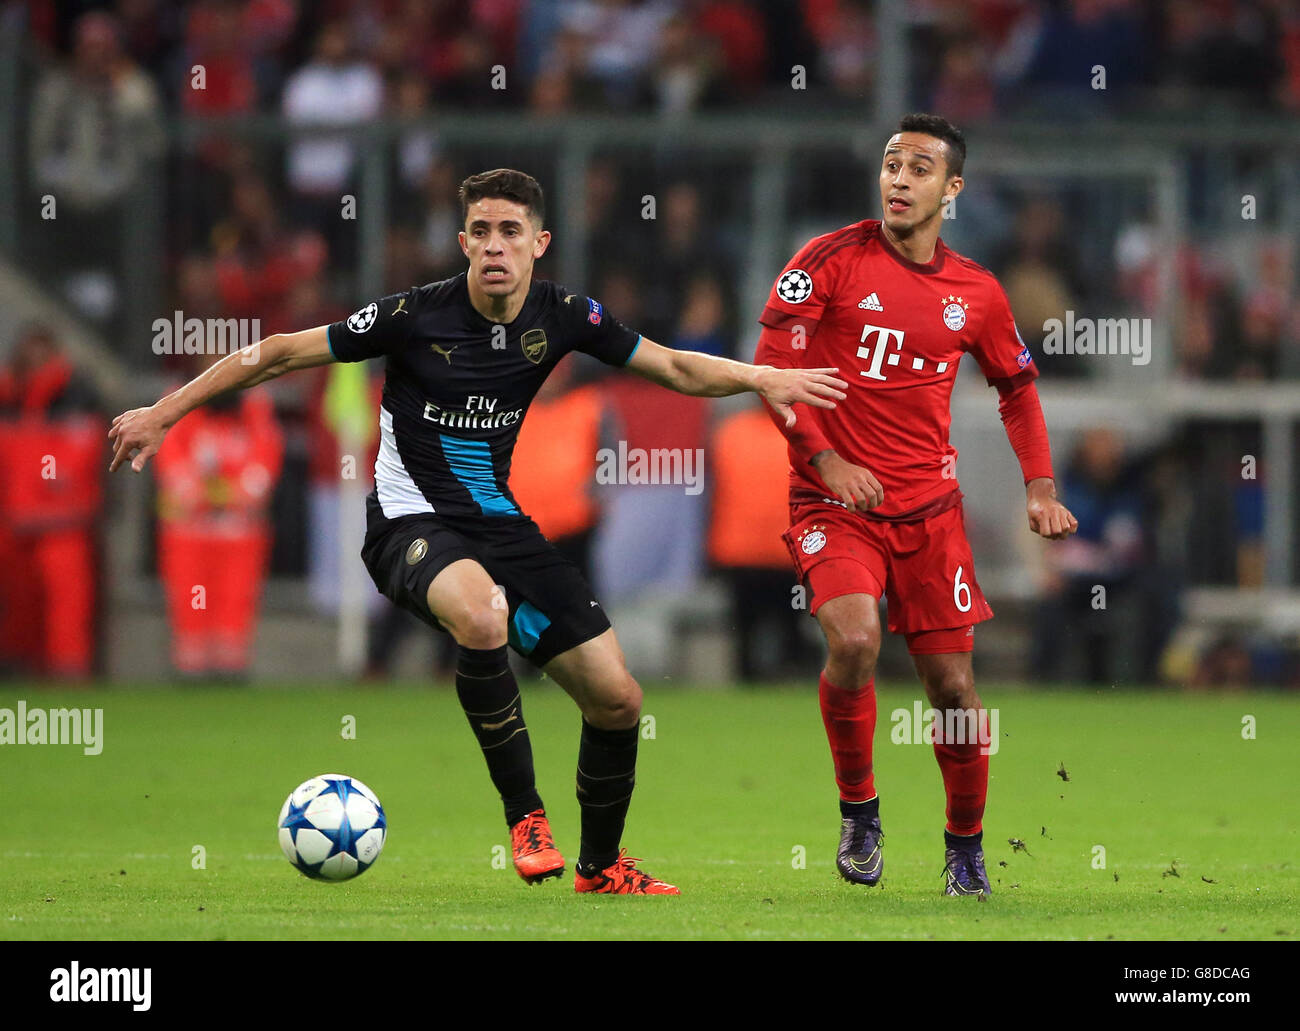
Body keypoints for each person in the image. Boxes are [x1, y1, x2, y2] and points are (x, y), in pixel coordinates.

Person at [109, 168, 846, 896]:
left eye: (511, 232)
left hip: (499, 524)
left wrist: (762, 378)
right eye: (483, 231)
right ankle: (526, 818)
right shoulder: (412, 315)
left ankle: (601, 866)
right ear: (464, 241)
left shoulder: (565, 316)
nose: (496, 245)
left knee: (619, 699)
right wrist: (164, 411)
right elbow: (276, 353)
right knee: (482, 613)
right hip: (408, 522)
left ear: (539, 243)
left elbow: (677, 367)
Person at [755, 115, 1078, 896]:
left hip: (930, 514)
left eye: (920, 168)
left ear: (952, 188)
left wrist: (1040, 484)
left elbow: (1017, 388)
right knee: (857, 639)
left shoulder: (977, 292)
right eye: (892, 164)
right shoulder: (825, 261)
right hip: (833, 502)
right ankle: (859, 808)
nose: (899, 179)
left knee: (957, 692)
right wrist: (827, 459)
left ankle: (964, 847)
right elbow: (772, 369)